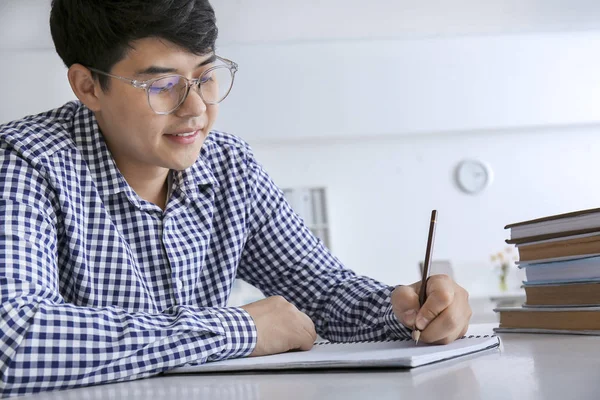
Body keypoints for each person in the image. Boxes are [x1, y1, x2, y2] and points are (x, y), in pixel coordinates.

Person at [0, 0, 471, 397]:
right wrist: (237, 330)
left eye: (205, 77)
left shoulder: (229, 166)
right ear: (87, 86)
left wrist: (405, 309)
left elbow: (323, 294)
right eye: (162, 85)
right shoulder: (25, 161)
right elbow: (14, 338)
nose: (197, 109)